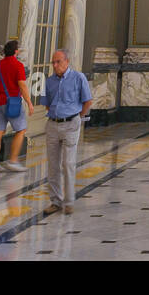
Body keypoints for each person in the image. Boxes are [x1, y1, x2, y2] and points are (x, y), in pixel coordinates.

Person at [40, 49, 92, 217]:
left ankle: (69, 202)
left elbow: (87, 101)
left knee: (68, 164)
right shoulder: (49, 81)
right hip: (53, 125)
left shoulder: (78, 78)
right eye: (53, 62)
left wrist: (77, 117)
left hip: (71, 124)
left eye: (58, 62)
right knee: (53, 165)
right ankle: (55, 201)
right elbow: (46, 103)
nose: (55, 65)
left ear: (67, 62)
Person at [0, 39, 32, 173]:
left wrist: (1, 87)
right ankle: (13, 160)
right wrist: (29, 102)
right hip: (12, 103)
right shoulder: (18, 65)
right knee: (21, 130)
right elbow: (22, 85)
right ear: (16, 51)